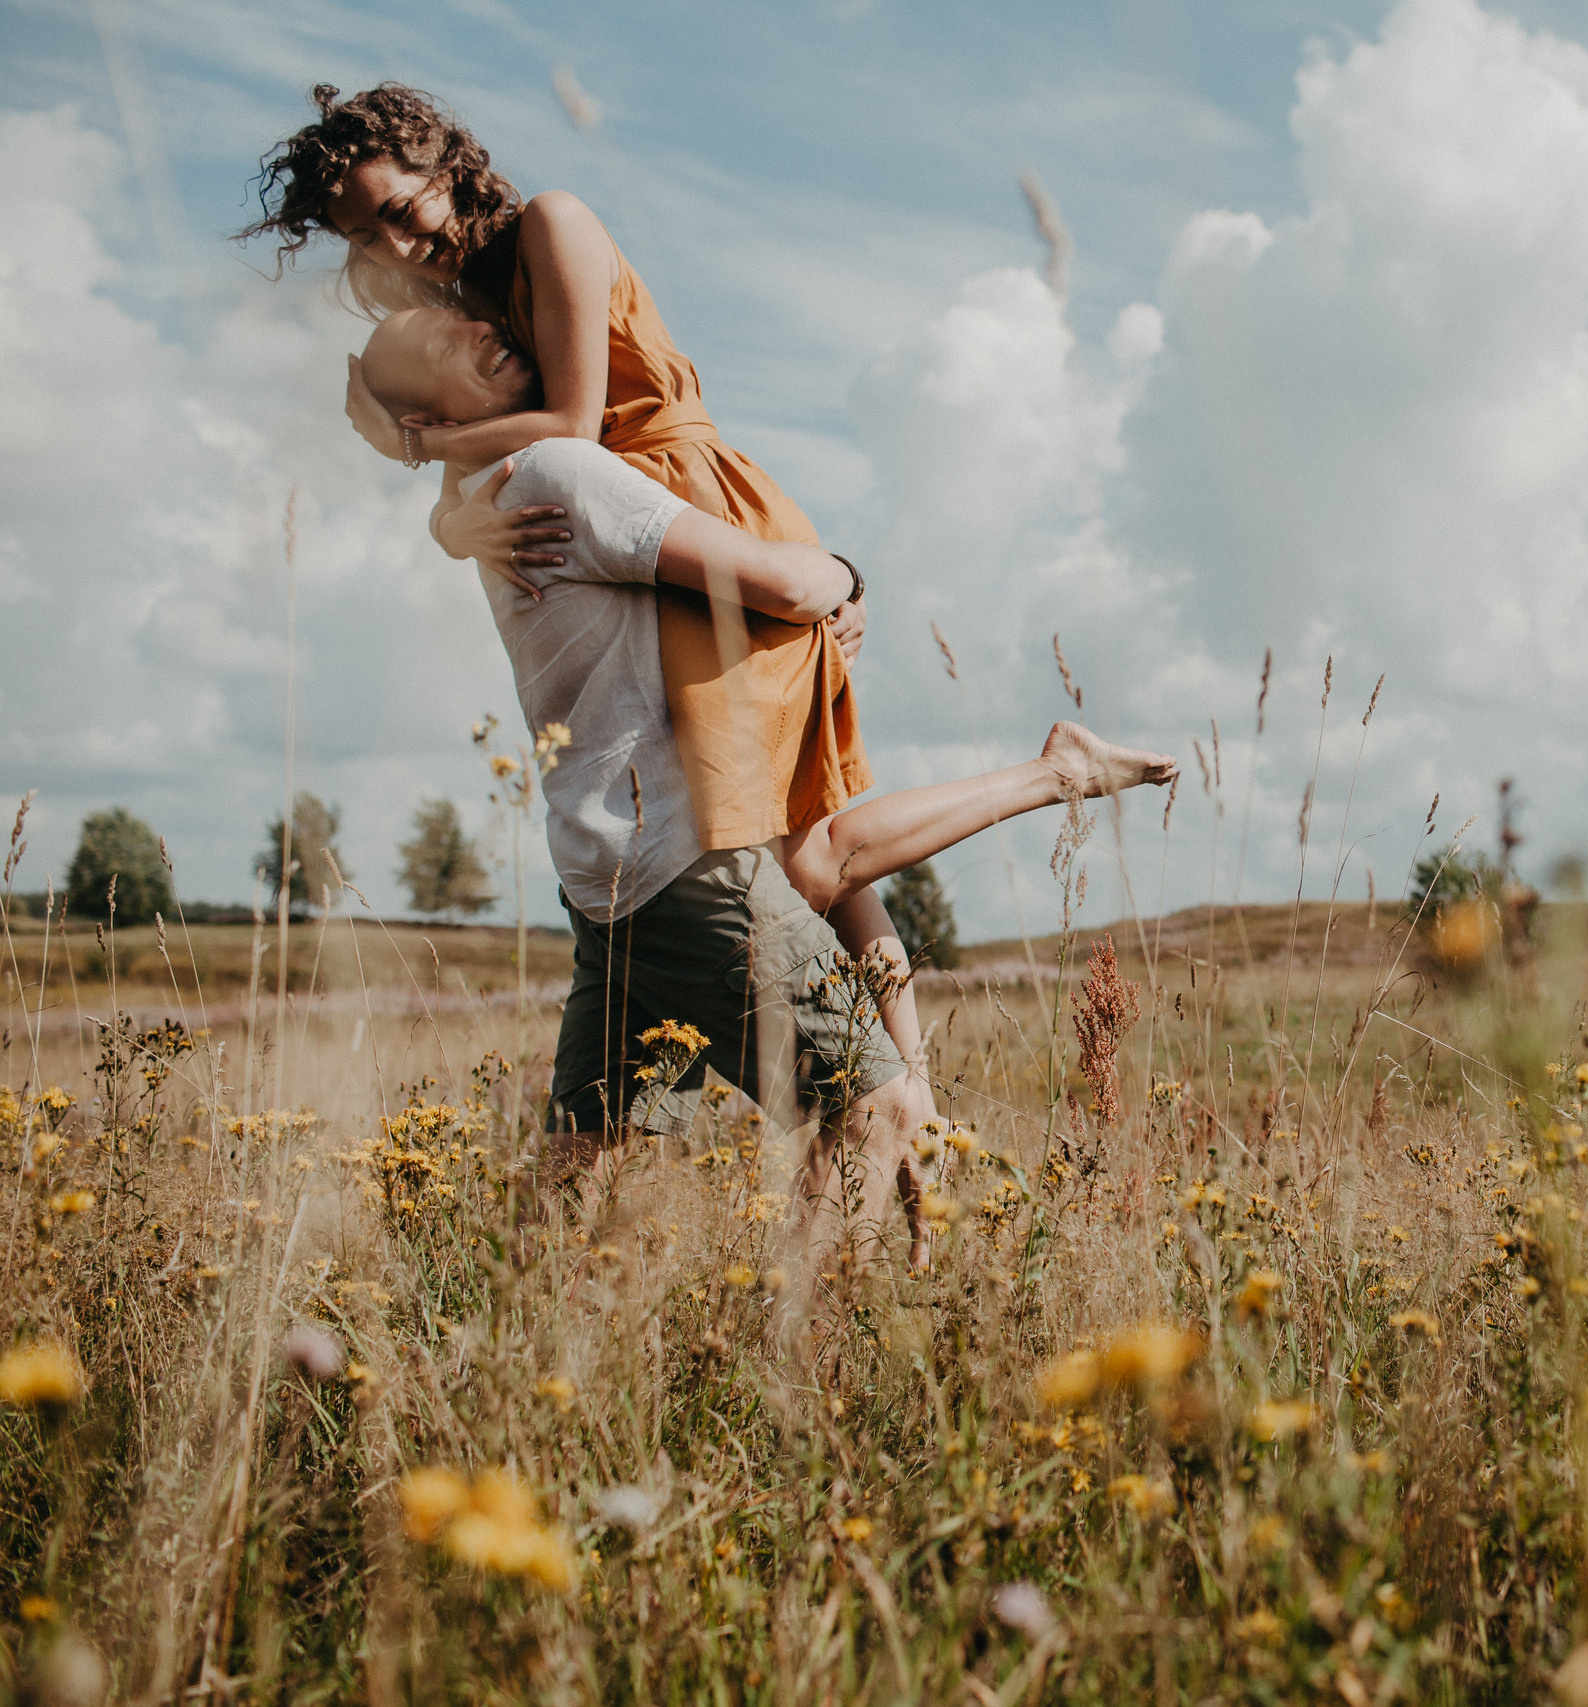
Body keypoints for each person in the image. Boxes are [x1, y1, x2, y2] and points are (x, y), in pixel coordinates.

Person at [358, 303, 1177, 1271]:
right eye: (439, 349)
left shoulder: (488, 498)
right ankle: (802, 1366)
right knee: (877, 1108)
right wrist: (845, 577)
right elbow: (791, 591)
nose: (476, 331)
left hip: (609, 883)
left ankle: (492, 1353)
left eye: (462, 318)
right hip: (686, 868)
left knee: (574, 1170)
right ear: (432, 424)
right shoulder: (554, 472)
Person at [240, 82, 870, 928]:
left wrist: (414, 444)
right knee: (762, 845)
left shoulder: (553, 222)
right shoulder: (464, 312)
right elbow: (454, 513)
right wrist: (446, 510)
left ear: (445, 164)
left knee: (804, 842)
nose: (394, 242)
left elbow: (572, 424)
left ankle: (900, 1059)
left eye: (399, 208)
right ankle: (894, 1060)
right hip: (630, 538)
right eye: (364, 236)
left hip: (691, 503)